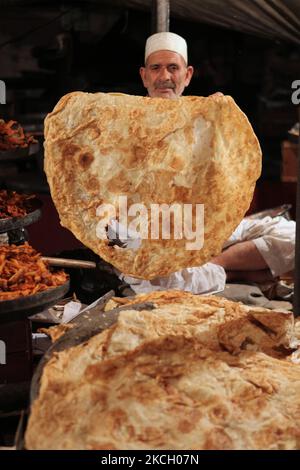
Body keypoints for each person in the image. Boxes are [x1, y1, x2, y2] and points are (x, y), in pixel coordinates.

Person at [118, 32, 295, 296]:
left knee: (292, 236)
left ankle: (215, 265)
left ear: (187, 75)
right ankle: (236, 270)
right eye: (156, 68)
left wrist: (222, 125)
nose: (164, 76)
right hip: (149, 227)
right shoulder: (120, 124)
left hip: (201, 223)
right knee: (151, 274)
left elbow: (230, 181)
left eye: (173, 68)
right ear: (144, 75)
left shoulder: (204, 119)